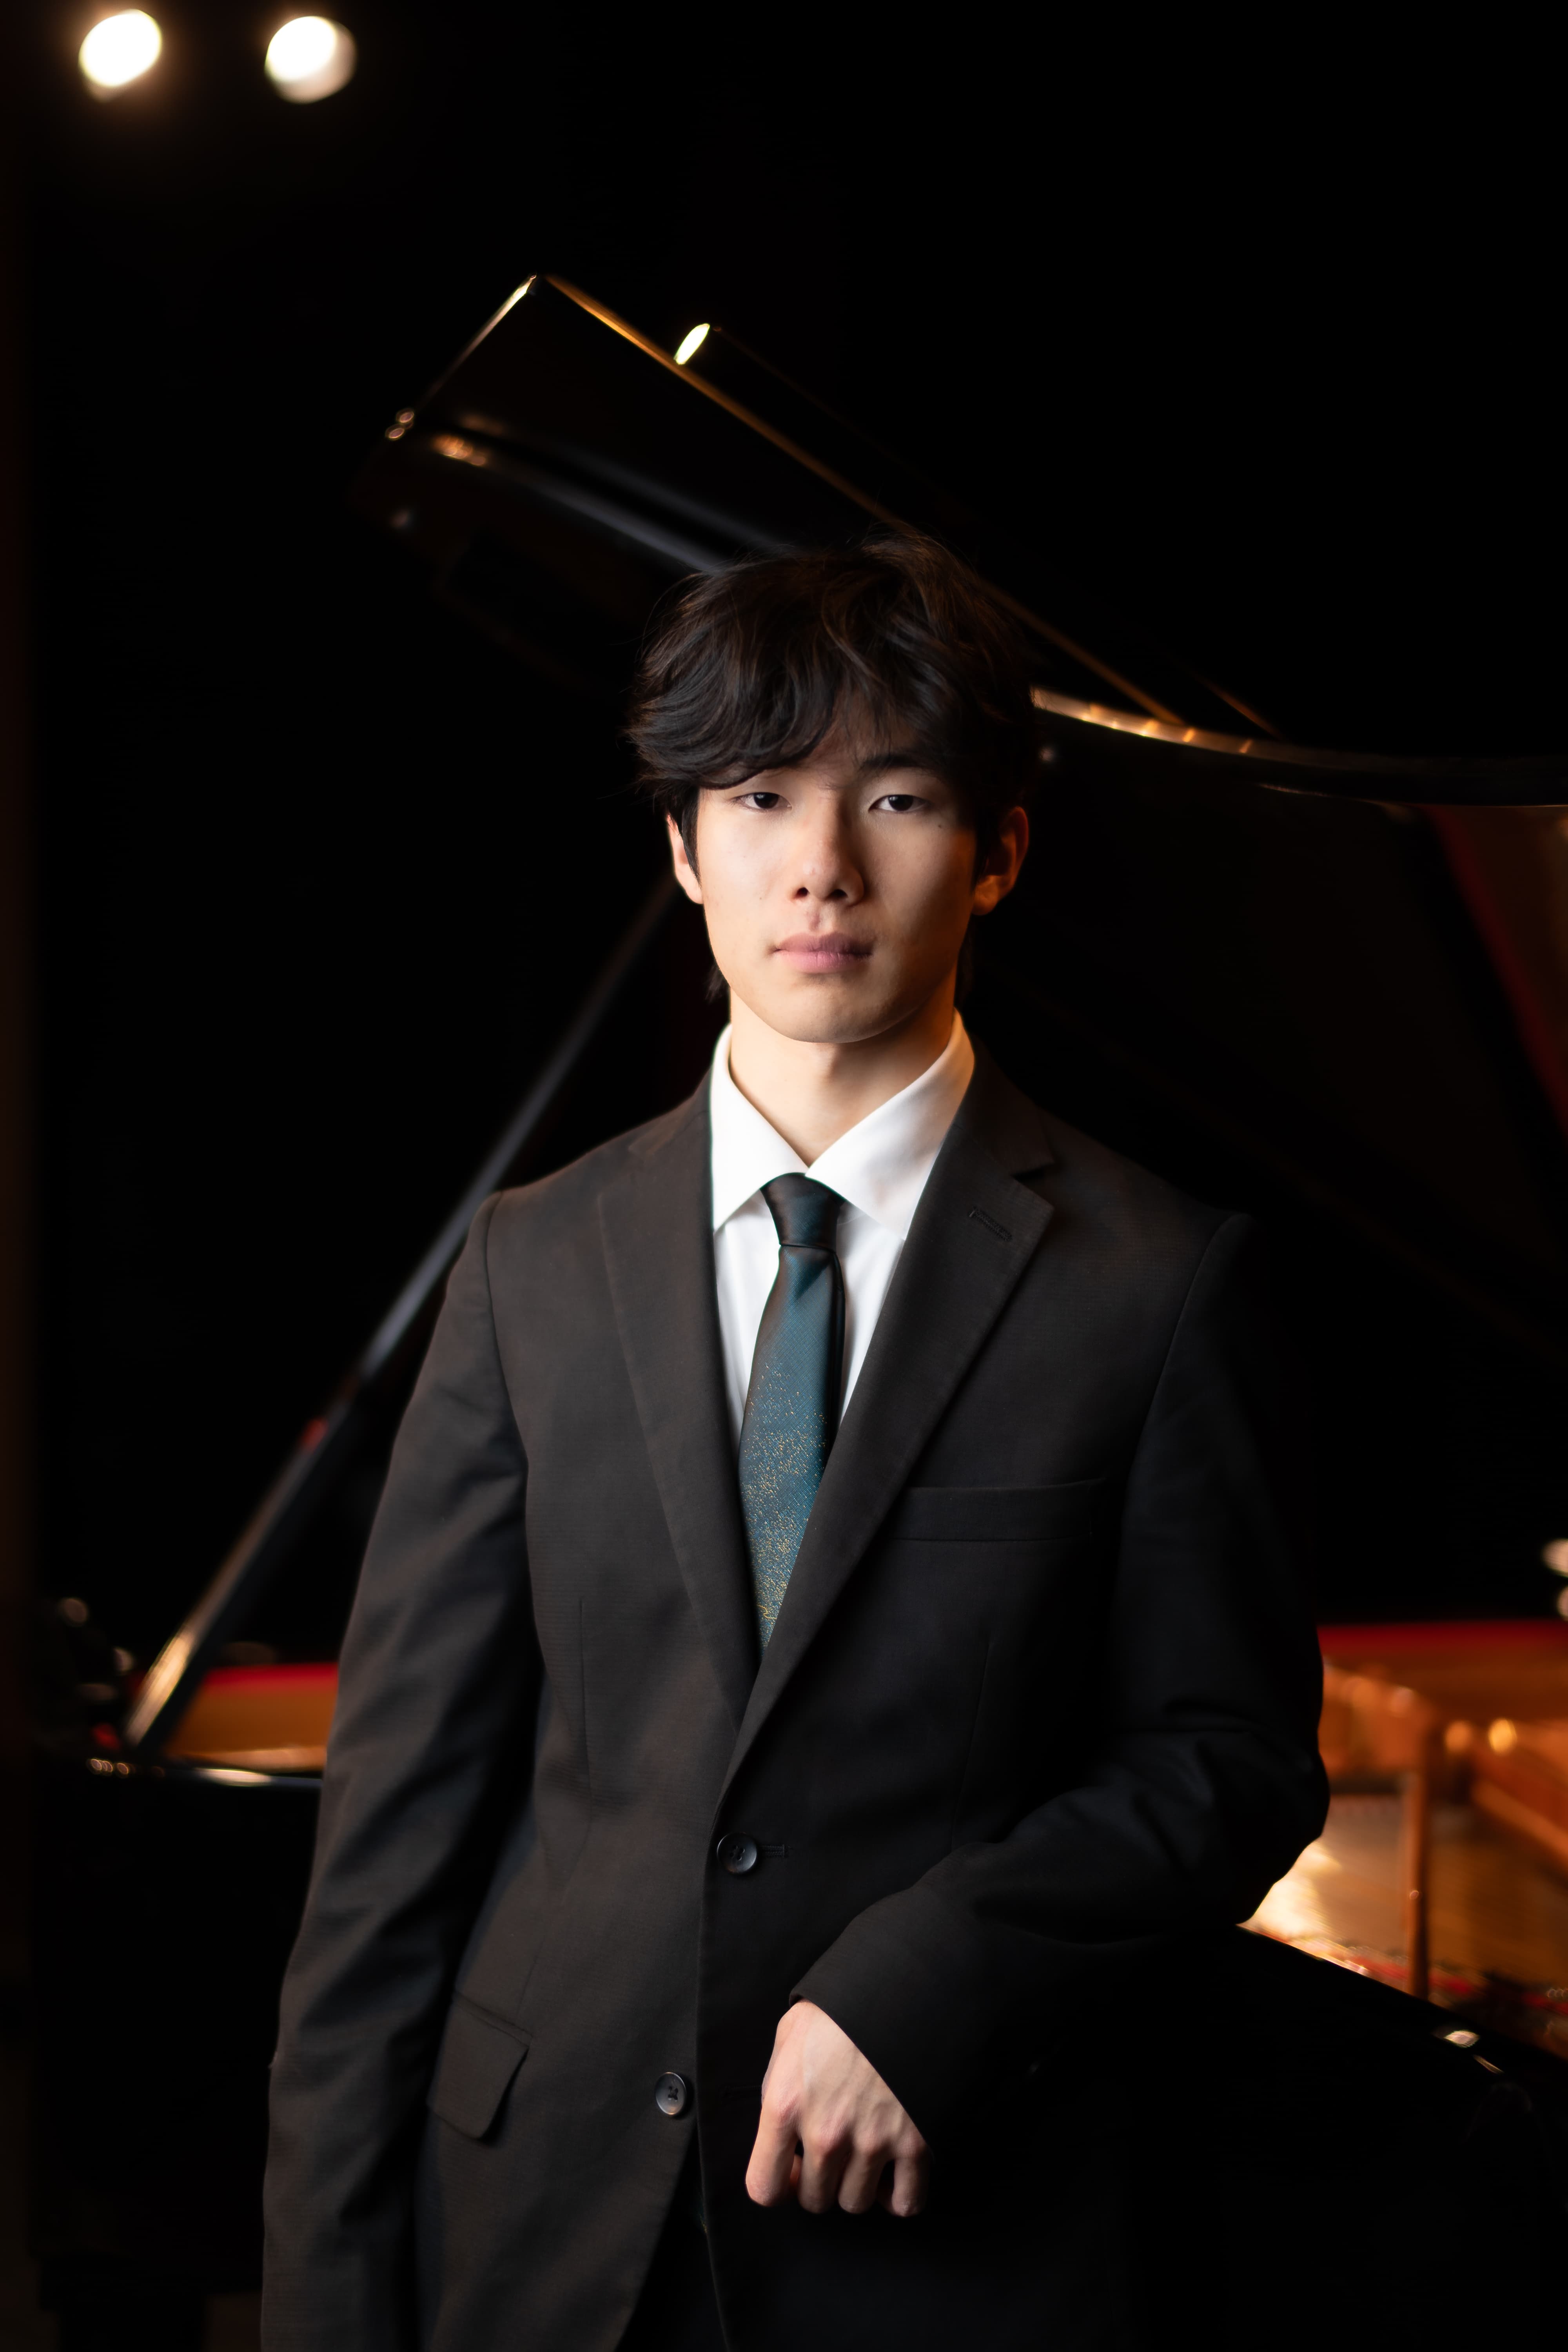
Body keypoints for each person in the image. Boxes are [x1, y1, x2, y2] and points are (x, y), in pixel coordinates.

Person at [261, 531, 1328, 2351]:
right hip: (539, 2227)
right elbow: (392, 1846)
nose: (822, 865)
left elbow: (1224, 1757)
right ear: (685, 849)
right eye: (759, 798)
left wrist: (933, 1984)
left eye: (895, 798)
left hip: (954, 2235)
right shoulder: (532, 1264)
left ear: (997, 851)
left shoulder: (1156, 1282)